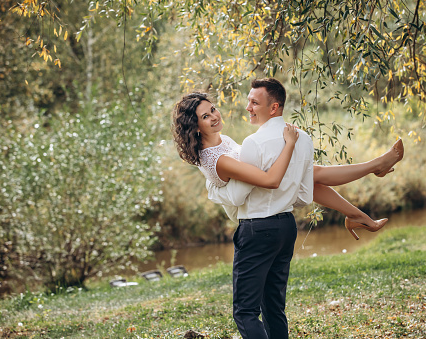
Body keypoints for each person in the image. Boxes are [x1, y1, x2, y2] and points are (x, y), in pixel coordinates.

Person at [172, 78, 404, 338]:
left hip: (259, 229)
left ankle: (363, 196)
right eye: (206, 116)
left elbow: (267, 178)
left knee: (250, 311)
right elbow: (266, 182)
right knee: (267, 309)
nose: (214, 116)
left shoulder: (224, 141)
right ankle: (367, 186)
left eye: (212, 109)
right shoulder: (216, 157)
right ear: (196, 126)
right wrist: (290, 144)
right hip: (276, 224)